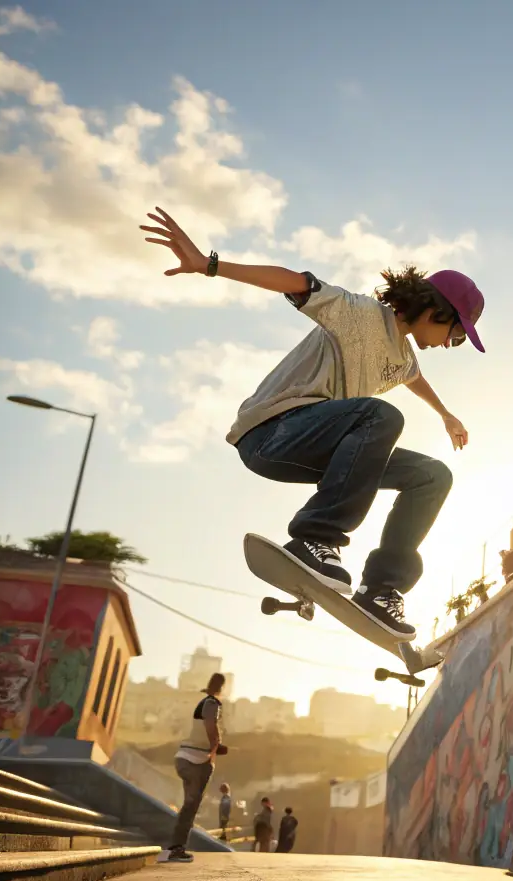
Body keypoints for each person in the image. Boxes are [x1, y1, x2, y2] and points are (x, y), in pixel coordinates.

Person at [138, 207, 485, 640]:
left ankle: (382, 589)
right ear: (437, 311)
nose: (451, 346)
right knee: (380, 415)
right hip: (271, 433)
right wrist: (208, 265)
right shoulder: (358, 313)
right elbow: (296, 282)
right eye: (455, 335)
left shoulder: (405, 357)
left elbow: (414, 378)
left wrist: (446, 415)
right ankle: (315, 538)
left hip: (326, 450)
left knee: (432, 476)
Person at [166, 673, 227, 863]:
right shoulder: (212, 703)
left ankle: (177, 846)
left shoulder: (203, 701)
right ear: (222, 687)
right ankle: (176, 848)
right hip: (197, 760)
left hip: (184, 758)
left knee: (189, 805)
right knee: (191, 805)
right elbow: (211, 724)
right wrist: (215, 745)